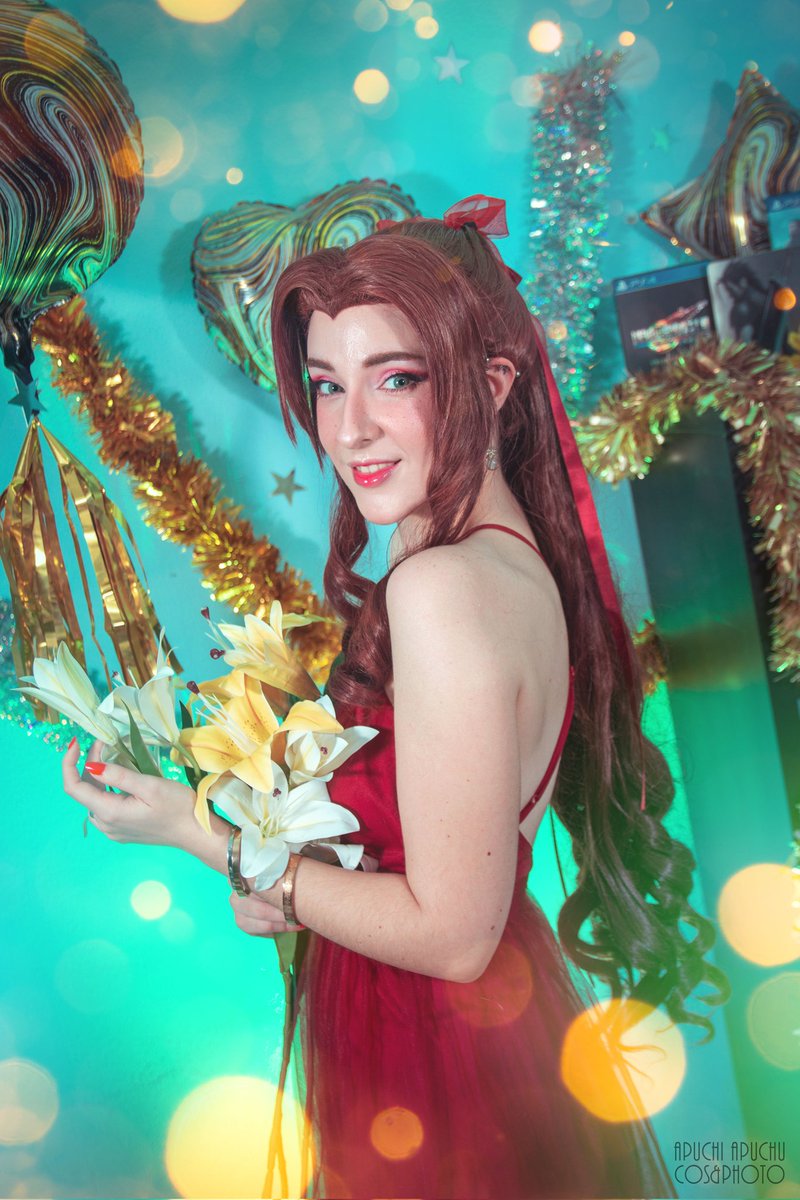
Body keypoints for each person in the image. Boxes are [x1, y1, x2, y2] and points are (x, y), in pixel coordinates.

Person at [63, 196, 729, 1199]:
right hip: (452, 1030)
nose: (350, 429)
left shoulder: (441, 587)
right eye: (328, 385)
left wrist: (203, 835)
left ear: (491, 384)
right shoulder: (484, 559)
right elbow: (441, 849)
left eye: (397, 378)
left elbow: (453, 938)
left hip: (437, 1051)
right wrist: (301, 886)